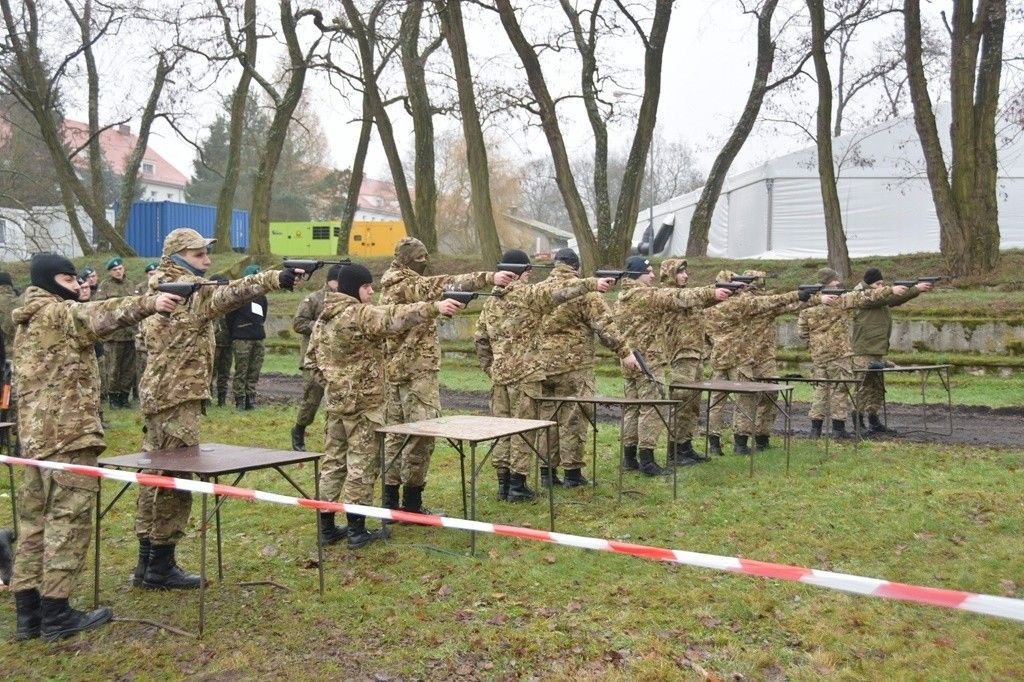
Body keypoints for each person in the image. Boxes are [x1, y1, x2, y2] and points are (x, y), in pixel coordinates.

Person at [9, 254, 179, 641]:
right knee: (68, 524)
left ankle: (29, 615)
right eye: (72, 280)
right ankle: (57, 614)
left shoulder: (28, 318)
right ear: (55, 280)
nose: (80, 288)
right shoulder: (58, 314)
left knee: (34, 526)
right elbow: (104, 313)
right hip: (69, 437)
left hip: (35, 439)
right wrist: (151, 302)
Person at [133, 228, 301, 589]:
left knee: (153, 476)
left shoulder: (158, 286)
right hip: (177, 398)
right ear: (177, 256)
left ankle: (146, 562)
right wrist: (275, 277)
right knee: (174, 481)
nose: (207, 262)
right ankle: (160, 564)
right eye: (199, 256)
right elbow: (230, 293)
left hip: (161, 394)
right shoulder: (185, 291)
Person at [305, 263, 462, 548]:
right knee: (362, 466)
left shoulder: (324, 318)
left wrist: (336, 384)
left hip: (336, 405)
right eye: (367, 287)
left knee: (333, 464)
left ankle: (326, 527)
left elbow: (311, 362)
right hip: (364, 406)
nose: (371, 291)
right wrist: (435, 307)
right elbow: (394, 318)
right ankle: (357, 530)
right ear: (355, 288)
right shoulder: (358, 314)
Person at [378, 237, 516, 514]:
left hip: (394, 371)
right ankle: (412, 506)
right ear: (409, 260)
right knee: (422, 435)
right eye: (420, 258)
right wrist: (490, 277)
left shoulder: (392, 285)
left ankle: (390, 503)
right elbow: (448, 283)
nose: (425, 262)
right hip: (417, 372)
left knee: (395, 436)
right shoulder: (410, 283)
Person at [475, 250, 614, 502]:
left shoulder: (491, 302)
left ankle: (503, 484)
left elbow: (480, 340)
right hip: (526, 376)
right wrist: (592, 283)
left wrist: (491, 369)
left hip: (500, 379)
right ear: (524, 273)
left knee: (502, 430)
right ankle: (518, 485)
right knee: (523, 430)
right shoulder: (528, 296)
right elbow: (560, 292)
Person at [616, 257, 731, 474]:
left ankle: (630, 458)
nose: (652, 275)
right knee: (653, 408)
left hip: (631, 359)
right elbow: (678, 296)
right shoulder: (646, 295)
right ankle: (647, 461)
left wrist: (715, 292)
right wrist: (712, 292)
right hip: (648, 361)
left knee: (632, 408)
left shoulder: (624, 296)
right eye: (648, 272)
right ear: (637, 275)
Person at [537, 248, 634, 487]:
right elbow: (605, 327)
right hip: (574, 365)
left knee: (547, 418)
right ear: (576, 267)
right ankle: (572, 473)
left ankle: (546, 473)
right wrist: (625, 352)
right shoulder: (584, 291)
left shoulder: (539, 290)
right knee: (573, 417)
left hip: (542, 365)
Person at [704, 272, 818, 455]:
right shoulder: (741, 303)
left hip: (720, 358)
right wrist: (797, 294)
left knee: (716, 401)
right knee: (745, 401)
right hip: (739, 359)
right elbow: (770, 302)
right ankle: (740, 444)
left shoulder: (708, 306)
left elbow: (705, 336)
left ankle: (714, 445)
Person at [798, 268, 905, 438]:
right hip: (839, 354)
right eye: (835, 281)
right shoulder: (839, 301)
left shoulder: (807, 305)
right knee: (840, 390)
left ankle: (815, 429)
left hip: (819, 355)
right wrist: (890, 290)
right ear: (830, 282)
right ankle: (838, 429)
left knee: (821, 389)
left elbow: (802, 332)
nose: (838, 283)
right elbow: (865, 296)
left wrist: (816, 345)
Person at [850, 268, 932, 435]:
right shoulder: (860, 294)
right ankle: (858, 423)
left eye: (882, 283)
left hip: (877, 349)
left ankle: (874, 420)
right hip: (864, 350)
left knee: (877, 388)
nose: (881, 286)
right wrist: (891, 289)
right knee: (863, 387)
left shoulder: (879, 296)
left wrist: (916, 289)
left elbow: (893, 299)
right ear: (869, 284)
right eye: (878, 284)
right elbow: (876, 298)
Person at [657, 258, 710, 466]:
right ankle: (674, 451)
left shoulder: (687, 294)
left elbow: (701, 298)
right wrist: (714, 291)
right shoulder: (667, 294)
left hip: (695, 355)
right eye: (680, 272)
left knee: (693, 403)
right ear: (670, 274)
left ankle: (685, 445)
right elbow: (691, 296)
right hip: (680, 355)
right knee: (681, 401)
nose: (686, 275)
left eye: (686, 272)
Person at [290, 265, 342, 451]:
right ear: (330, 280)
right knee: (311, 400)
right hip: (314, 360)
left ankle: (333, 440)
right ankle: (299, 430)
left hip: (337, 360)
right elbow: (298, 323)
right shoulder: (314, 299)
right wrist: (322, 326)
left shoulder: (346, 299)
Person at [226, 264, 268, 411]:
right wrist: (236, 333)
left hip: (258, 336)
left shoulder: (262, 297)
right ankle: (239, 401)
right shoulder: (238, 295)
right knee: (241, 369)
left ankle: (251, 398)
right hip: (242, 338)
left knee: (254, 369)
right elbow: (229, 317)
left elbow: (263, 315)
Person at [96, 257, 137, 408]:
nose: (118, 272)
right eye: (115, 270)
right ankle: (113, 397)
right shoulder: (105, 286)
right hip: (114, 334)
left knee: (129, 368)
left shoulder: (131, 284)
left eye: (120, 268)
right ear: (110, 272)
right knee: (113, 368)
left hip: (130, 333)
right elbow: (100, 308)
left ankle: (124, 397)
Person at [133, 261, 160, 402]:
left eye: (155, 273)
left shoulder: (163, 287)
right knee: (142, 368)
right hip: (142, 333)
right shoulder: (141, 289)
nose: (153, 276)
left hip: (158, 333)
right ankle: (141, 395)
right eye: (150, 274)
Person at [208, 275, 232, 407]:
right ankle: (207, 399)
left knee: (225, 372)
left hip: (227, 341)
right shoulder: (207, 301)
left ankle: (222, 399)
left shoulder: (229, 301)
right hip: (213, 343)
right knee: (210, 371)